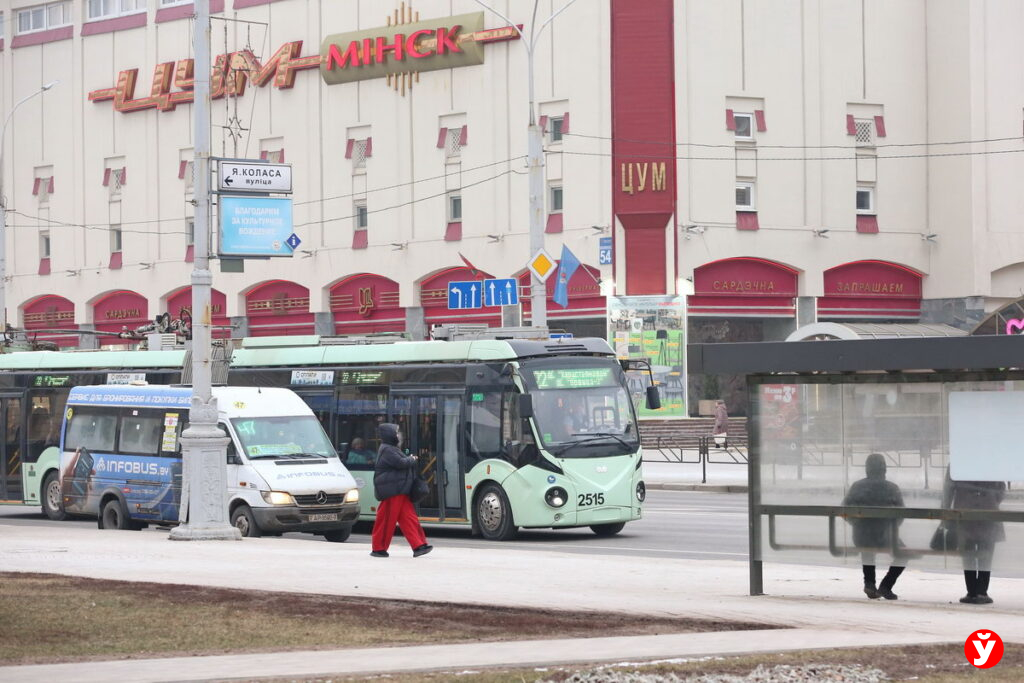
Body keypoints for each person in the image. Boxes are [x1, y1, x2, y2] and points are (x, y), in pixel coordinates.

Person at [842, 453, 906, 600]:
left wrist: (857, 524)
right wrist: (891, 528)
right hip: (884, 535)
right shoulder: (892, 488)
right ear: (884, 469)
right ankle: (886, 586)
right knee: (904, 554)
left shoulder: (857, 486)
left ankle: (869, 583)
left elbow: (844, 509)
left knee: (867, 550)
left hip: (861, 535)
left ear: (867, 469)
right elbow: (901, 513)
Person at [370, 423, 432, 558]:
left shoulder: (392, 448)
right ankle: (378, 548)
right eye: (396, 432)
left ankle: (419, 545)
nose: (399, 435)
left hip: (400, 490)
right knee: (386, 520)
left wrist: (410, 459)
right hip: (392, 491)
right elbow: (401, 463)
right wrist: (412, 459)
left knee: (410, 519)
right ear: (390, 435)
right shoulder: (387, 449)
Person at [943, 472, 1006, 604]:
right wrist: (990, 499)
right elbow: (1001, 489)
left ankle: (971, 591)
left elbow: (948, 491)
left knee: (968, 555)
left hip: (964, 512)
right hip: (988, 511)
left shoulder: (957, 462)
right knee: (986, 555)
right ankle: (982, 591)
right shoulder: (990, 461)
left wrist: (946, 513)